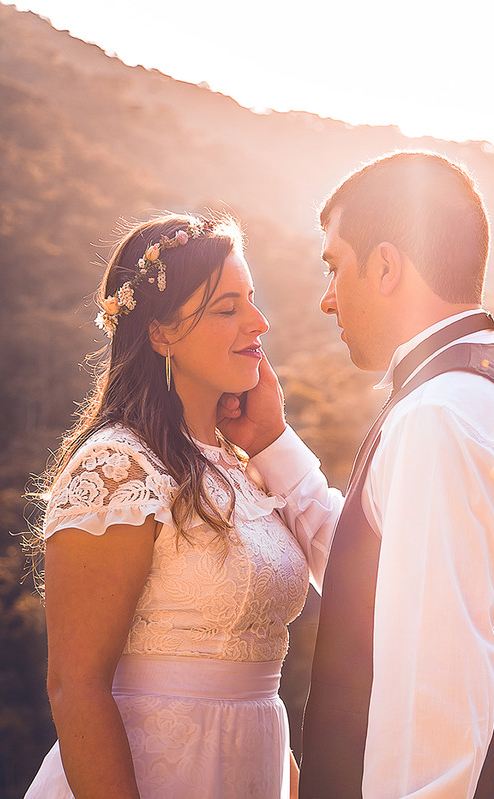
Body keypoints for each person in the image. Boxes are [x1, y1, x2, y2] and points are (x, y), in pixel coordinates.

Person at [225, 151, 494, 798]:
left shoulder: (440, 416)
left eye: (334, 266)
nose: (326, 297)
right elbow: (384, 577)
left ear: (385, 266)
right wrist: (271, 444)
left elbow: (433, 698)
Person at [24, 212, 342, 799]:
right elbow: (75, 686)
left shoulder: (244, 466)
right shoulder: (117, 467)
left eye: (251, 300)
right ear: (160, 332)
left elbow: (252, 691)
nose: (259, 322)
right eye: (227, 308)